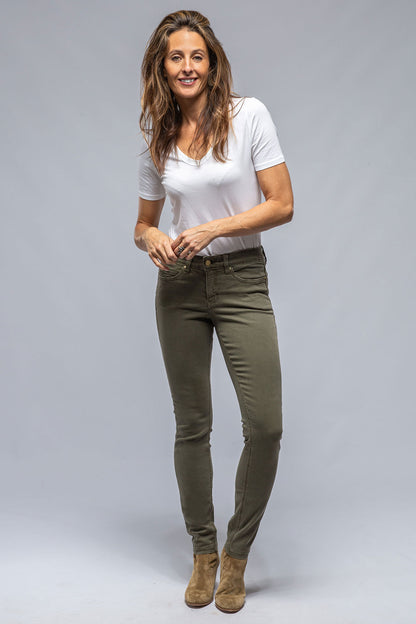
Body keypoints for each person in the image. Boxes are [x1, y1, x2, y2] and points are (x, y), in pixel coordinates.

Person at [134, 9, 293, 613]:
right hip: (178, 283)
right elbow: (144, 224)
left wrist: (214, 227)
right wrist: (151, 237)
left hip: (242, 278)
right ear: (162, 67)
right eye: (176, 57)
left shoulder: (249, 116)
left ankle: (237, 554)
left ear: (212, 62)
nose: (187, 67)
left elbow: (282, 204)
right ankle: (204, 553)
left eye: (196, 56)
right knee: (192, 425)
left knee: (266, 426)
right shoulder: (157, 136)